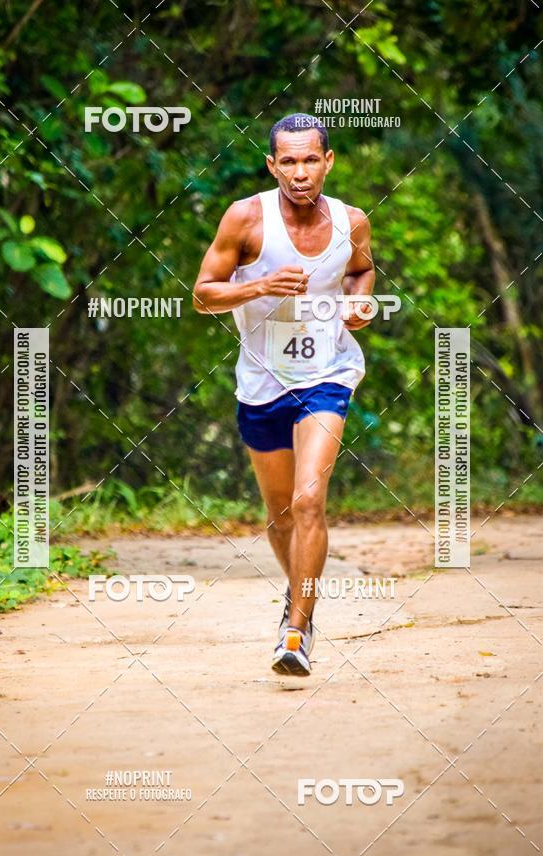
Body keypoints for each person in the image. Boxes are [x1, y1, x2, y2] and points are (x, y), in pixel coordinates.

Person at [193, 113, 375, 676]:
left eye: (311, 160)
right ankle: (298, 596)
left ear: (329, 161)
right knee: (279, 516)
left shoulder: (352, 221)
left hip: (327, 373)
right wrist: (259, 286)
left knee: (308, 501)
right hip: (261, 380)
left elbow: (361, 272)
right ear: (273, 165)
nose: (301, 173)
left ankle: (296, 630)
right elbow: (203, 294)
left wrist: (358, 304)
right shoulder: (246, 218)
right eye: (288, 162)